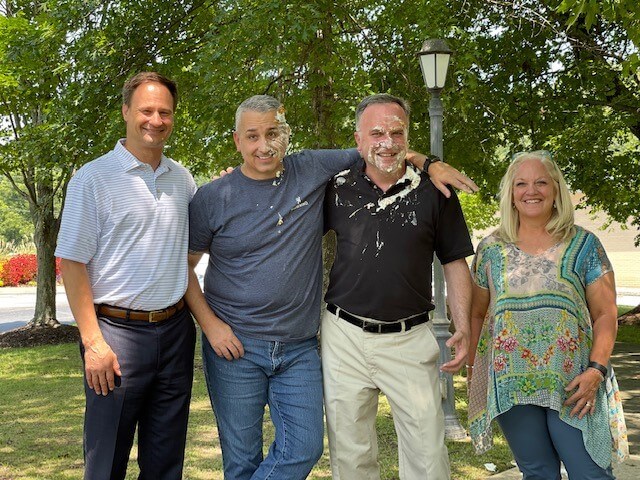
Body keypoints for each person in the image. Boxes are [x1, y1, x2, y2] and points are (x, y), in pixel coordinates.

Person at [185, 94, 477, 480]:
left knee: (333, 450)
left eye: (272, 133)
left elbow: (384, 151)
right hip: (288, 340)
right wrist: (211, 325)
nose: (263, 145)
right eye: (252, 136)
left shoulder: (328, 173)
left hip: (348, 341)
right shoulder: (228, 195)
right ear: (237, 141)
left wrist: (430, 162)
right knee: (287, 458)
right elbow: (190, 264)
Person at [321, 93, 474, 480]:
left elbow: (455, 263)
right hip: (344, 335)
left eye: (396, 131)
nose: (386, 142)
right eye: (376, 132)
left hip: (410, 337)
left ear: (408, 137)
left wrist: (464, 327)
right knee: (350, 456)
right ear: (357, 140)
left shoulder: (435, 191)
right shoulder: (334, 187)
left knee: (427, 455)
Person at [56, 72, 197, 480]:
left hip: (174, 333)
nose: (155, 119)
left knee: (165, 461)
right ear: (126, 112)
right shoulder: (92, 179)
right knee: (106, 461)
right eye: (146, 110)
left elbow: (193, 246)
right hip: (114, 336)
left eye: (164, 112)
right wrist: (93, 342)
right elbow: (72, 263)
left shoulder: (183, 180)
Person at [467, 151, 629, 479]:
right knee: (538, 473)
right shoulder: (491, 249)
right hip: (511, 384)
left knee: (590, 473)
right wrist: (474, 370)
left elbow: (605, 313)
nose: (532, 190)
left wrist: (596, 370)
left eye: (541, 182)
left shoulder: (584, 244)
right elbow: (476, 314)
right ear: (511, 194)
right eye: (521, 183)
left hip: (574, 383)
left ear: (556, 190)